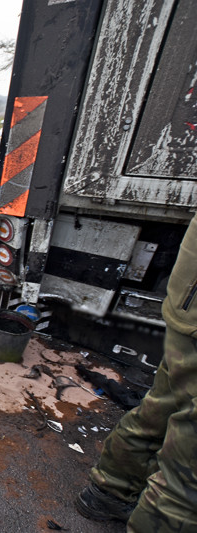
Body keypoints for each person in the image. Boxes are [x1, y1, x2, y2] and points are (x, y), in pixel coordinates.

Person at [76, 213, 197, 532]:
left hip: (191, 300)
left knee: (163, 405)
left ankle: (109, 491)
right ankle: (113, 494)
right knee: (188, 477)